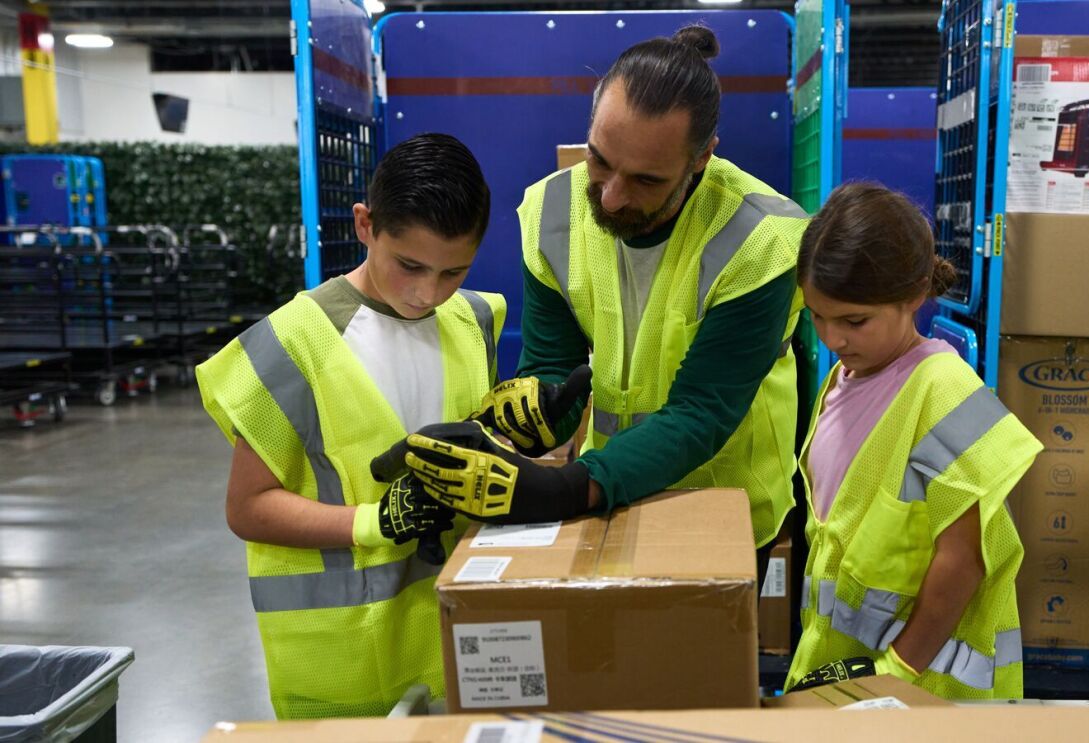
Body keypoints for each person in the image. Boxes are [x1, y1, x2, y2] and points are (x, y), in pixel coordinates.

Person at [377, 25, 810, 579]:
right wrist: (536, 416)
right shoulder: (551, 212)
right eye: (600, 160)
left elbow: (703, 411)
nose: (610, 195)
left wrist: (563, 488)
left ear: (702, 158)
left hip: (717, 503)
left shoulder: (763, 239)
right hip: (610, 497)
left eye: (647, 180)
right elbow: (551, 359)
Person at [196, 133, 505, 719]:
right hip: (343, 665)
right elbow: (248, 508)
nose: (427, 292)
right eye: (410, 265)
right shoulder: (295, 342)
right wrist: (376, 520)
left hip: (456, 644)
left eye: (453, 272)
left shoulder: (473, 321)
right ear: (366, 225)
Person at [783, 182, 1042, 700]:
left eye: (855, 321)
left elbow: (963, 560)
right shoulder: (840, 381)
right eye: (817, 315)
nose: (832, 338)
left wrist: (897, 672)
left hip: (925, 689)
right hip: (846, 672)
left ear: (915, 294)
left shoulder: (942, 391)